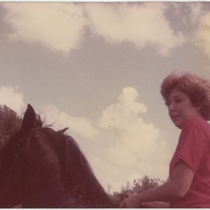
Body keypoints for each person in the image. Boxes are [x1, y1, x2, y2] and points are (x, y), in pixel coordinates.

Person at [120, 70, 210, 208]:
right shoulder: (205, 130)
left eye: (178, 100)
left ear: (198, 103)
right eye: (168, 103)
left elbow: (179, 188)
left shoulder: (194, 126)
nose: (171, 108)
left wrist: (138, 198)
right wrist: (144, 203)